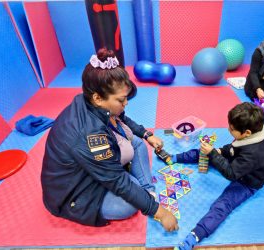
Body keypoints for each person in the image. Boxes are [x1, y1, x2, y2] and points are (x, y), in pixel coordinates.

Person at [41, 48, 178, 231]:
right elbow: (116, 180)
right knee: (128, 204)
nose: (126, 103)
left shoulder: (93, 101)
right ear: (98, 98)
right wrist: (159, 212)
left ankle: (148, 191)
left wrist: (147, 134)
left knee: (137, 144)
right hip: (75, 192)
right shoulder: (90, 135)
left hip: (92, 167)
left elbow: (121, 118)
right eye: (121, 100)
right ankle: (143, 193)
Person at [173, 102, 264, 250]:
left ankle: (195, 236)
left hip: (248, 182)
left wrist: (213, 154)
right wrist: (220, 151)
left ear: (246, 133)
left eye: (232, 129)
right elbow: (235, 148)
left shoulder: (254, 153)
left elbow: (231, 173)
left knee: (222, 205)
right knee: (204, 152)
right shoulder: (251, 134)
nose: (228, 130)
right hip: (240, 165)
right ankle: (173, 158)